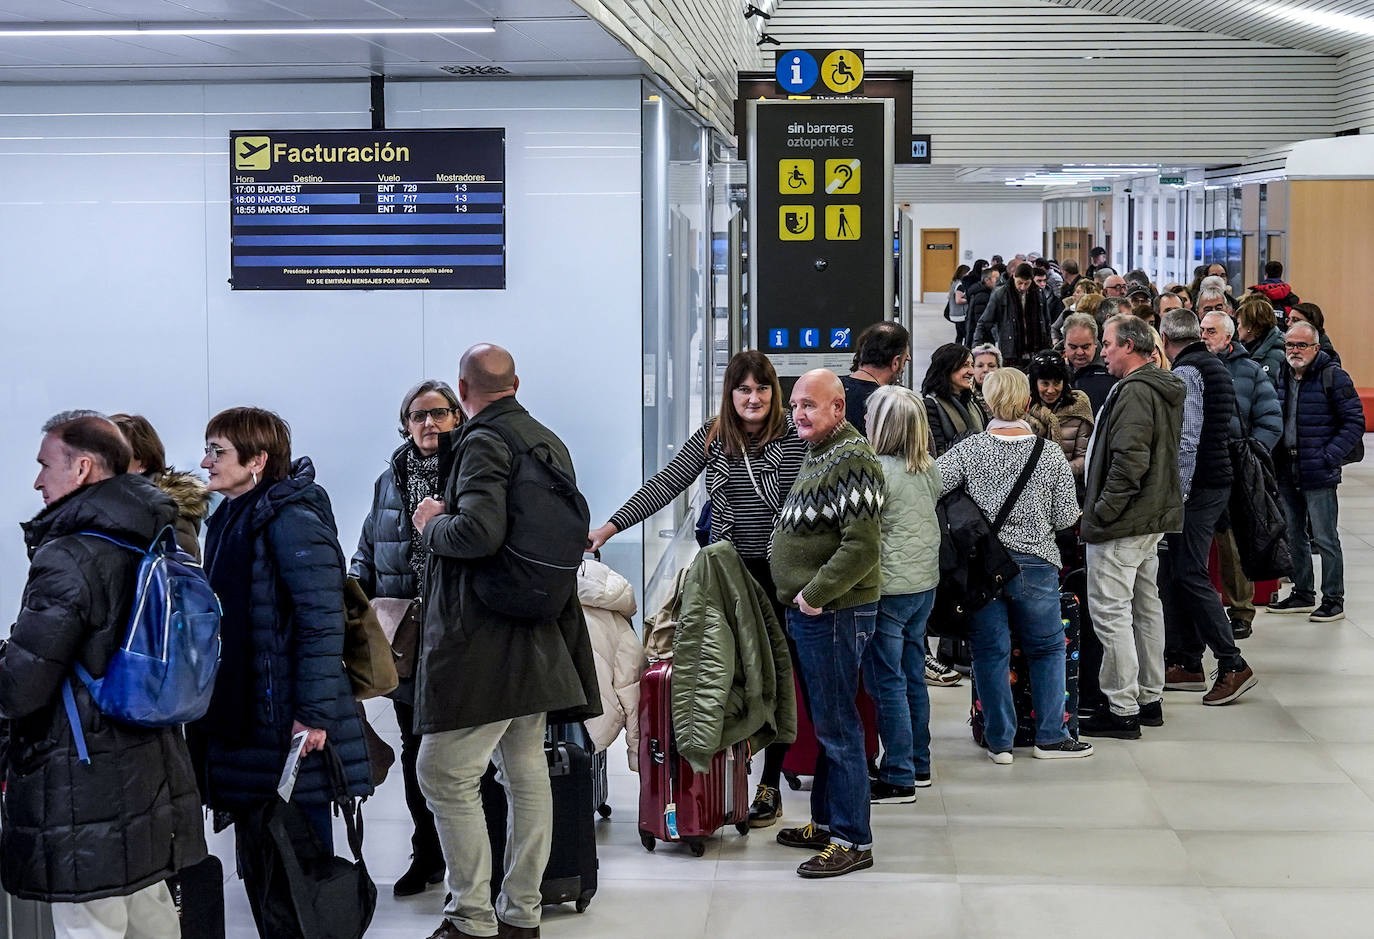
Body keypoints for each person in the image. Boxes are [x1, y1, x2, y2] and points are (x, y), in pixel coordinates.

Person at [411, 344, 600, 939]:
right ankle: (522, 913)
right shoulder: (547, 442)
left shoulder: (483, 442)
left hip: (484, 637)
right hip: (540, 628)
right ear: (515, 383)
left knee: (442, 772)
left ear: (463, 393)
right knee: (524, 769)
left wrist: (429, 522)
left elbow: (476, 533)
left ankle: (470, 916)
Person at [0, 411, 206, 938]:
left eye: (46, 465)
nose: (37, 480)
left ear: (83, 467)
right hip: (151, 760)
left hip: (81, 778)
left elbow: (20, 686)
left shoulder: (69, 556)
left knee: (89, 922)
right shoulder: (158, 535)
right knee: (149, 911)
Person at [589, 350, 805, 828]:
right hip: (726, 576)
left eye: (762, 388)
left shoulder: (794, 435)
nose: (754, 398)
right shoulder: (715, 433)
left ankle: (770, 782)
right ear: (730, 393)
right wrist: (609, 528)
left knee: (777, 677)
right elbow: (667, 483)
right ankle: (730, 776)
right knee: (728, 676)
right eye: (744, 389)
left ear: (775, 391)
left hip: (782, 577)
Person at [192, 407, 373, 935]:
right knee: (264, 865)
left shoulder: (290, 517)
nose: (205, 462)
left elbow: (322, 622)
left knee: (301, 863)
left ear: (258, 460)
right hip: (248, 723)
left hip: (290, 727)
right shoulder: (229, 518)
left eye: (218, 452)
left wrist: (313, 714)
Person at [937, 369, 1091, 763]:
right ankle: (1051, 737)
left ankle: (999, 740)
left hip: (983, 567)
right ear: (1027, 403)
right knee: (1047, 648)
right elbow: (1066, 518)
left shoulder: (970, 450)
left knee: (990, 652)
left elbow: (932, 486)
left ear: (986, 402)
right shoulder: (1049, 453)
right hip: (1036, 564)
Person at [349, 379, 462, 897]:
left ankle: (470, 855)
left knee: (462, 755)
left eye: (439, 413)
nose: (429, 424)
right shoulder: (389, 479)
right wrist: (354, 601)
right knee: (416, 747)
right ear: (406, 424)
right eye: (418, 416)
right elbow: (369, 548)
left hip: (460, 633)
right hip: (406, 637)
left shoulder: (470, 471)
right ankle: (428, 852)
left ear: (457, 418)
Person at [770, 369, 883, 880]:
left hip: (834, 614)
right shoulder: (820, 453)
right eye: (795, 404)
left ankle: (852, 839)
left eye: (809, 405)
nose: (798, 413)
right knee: (826, 723)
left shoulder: (852, 458)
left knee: (839, 728)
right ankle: (825, 822)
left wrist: (814, 596)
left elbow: (861, 546)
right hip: (815, 614)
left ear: (838, 407)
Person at [1079, 315, 1186, 739]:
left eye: (1107, 343)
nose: (1103, 351)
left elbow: (1129, 463)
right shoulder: (1157, 386)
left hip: (1124, 523)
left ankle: (1121, 708)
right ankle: (1149, 697)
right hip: (1148, 518)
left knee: (1111, 614)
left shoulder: (1137, 393)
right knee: (1145, 608)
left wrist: (1100, 514)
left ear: (1128, 345)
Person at [1157, 311, 1257, 706]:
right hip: (1214, 480)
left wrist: (1175, 495)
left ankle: (1232, 663)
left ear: (1165, 338)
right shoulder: (1212, 364)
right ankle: (1188, 663)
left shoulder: (1188, 372)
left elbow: (1186, 440)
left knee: (1189, 571)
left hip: (1199, 486)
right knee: (1182, 570)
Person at [861, 385, 942, 802]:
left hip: (888, 589)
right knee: (913, 676)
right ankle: (919, 763)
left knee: (885, 682)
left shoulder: (874, 472)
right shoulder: (928, 468)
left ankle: (898, 775)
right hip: (923, 585)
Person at [1268, 322, 1366, 623]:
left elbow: (1354, 422)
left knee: (1325, 537)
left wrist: (1329, 456)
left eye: (1301, 345)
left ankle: (1333, 598)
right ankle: (1302, 592)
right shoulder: (1280, 375)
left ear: (1315, 347)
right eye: (1290, 345)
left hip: (1318, 469)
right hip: (1287, 467)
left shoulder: (1333, 377)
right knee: (1293, 534)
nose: (1294, 351)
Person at [1199, 312, 1283, 640]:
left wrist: (1251, 454)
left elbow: (1271, 419)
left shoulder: (1249, 371)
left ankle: (1241, 610)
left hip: (1237, 466)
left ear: (1229, 336)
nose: (1205, 336)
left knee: (1233, 545)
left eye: (1212, 331)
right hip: (1203, 465)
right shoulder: (1193, 369)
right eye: (1202, 330)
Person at [110, 412, 210, 561]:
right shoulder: (108, 509)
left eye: (113, 454)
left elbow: (175, 576)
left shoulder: (169, 517)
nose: (101, 462)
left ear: (142, 463)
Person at [1027, 350, 1094, 483]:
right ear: (1035, 383)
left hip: (1068, 487)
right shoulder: (1024, 408)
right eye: (1045, 383)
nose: (1051, 390)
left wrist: (1057, 472)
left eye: (1057, 383)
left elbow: (1084, 457)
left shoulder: (1078, 407)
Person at [973, 262, 1051, 367]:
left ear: (1031, 281)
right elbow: (984, 323)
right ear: (1013, 276)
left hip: (1036, 351)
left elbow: (1046, 322)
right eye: (1019, 283)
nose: (1022, 287)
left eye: (1026, 283)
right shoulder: (1000, 294)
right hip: (1010, 352)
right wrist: (976, 349)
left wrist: (1048, 347)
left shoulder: (1039, 294)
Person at [840, 322, 912, 434]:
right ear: (895, 363)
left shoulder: (833, 390)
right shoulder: (891, 404)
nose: (909, 359)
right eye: (904, 360)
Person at [923, 343, 986, 458]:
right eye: (965, 365)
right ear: (947, 368)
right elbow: (937, 453)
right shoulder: (931, 405)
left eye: (972, 365)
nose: (972, 371)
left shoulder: (973, 402)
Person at [1062, 312, 1118, 413]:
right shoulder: (1055, 370)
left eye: (1085, 347)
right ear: (1064, 343)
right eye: (1073, 347)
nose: (1079, 352)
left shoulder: (1112, 371)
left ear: (1095, 343)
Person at [1237, 294, 1286, 383]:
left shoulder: (1274, 355)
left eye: (1239, 323)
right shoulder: (1249, 348)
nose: (1237, 328)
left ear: (1250, 327)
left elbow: (1267, 388)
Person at [965, 265, 1000, 342]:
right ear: (987, 280)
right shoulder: (983, 296)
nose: (999, 281)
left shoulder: (986, 293)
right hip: (983, 338)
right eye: (996, 279)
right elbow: (982, 321)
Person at [946, 263, 972, 344]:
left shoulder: (954, 283)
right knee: (965, 335)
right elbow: (958, 300)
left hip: (954, 313)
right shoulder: (960, 285)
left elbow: (949, 296)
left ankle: (958, 349)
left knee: (959, 335)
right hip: (960, 315)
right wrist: (970, 300)